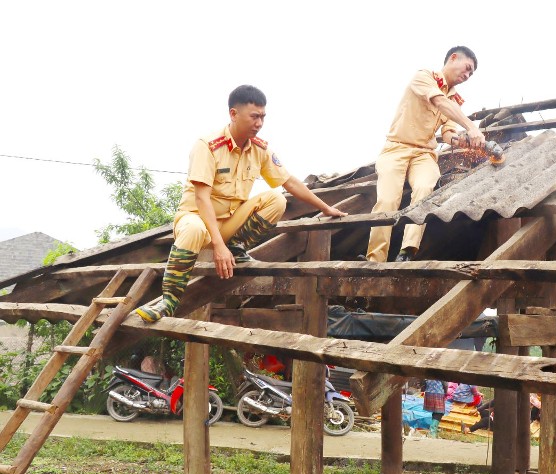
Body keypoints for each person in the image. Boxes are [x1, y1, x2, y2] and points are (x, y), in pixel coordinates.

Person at [135, 85, 347, 323]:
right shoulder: (208, 146)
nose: (259, 123)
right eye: (254, 116)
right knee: (194, 228)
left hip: (229, 223)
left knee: (275, 199)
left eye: (263, 117)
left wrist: (325, 208)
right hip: (196, 222)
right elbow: (201, 198)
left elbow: (289, 182)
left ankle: (237, 247)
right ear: (234, 114)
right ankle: (169, 301)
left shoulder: (259, 149)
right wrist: (217, 246)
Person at [362, 46, 486, 264]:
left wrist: (463, 139)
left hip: (425, 154)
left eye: (471, 74)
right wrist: (471, 126)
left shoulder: (455, 100)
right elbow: (439, 102)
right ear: (453, 58)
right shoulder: (424, 77)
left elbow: (447, 134)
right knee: (388, 199)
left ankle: (407, 251)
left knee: (424, 188)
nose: (467, 76)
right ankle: (375, 259)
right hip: (396, 148)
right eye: (467, 68)